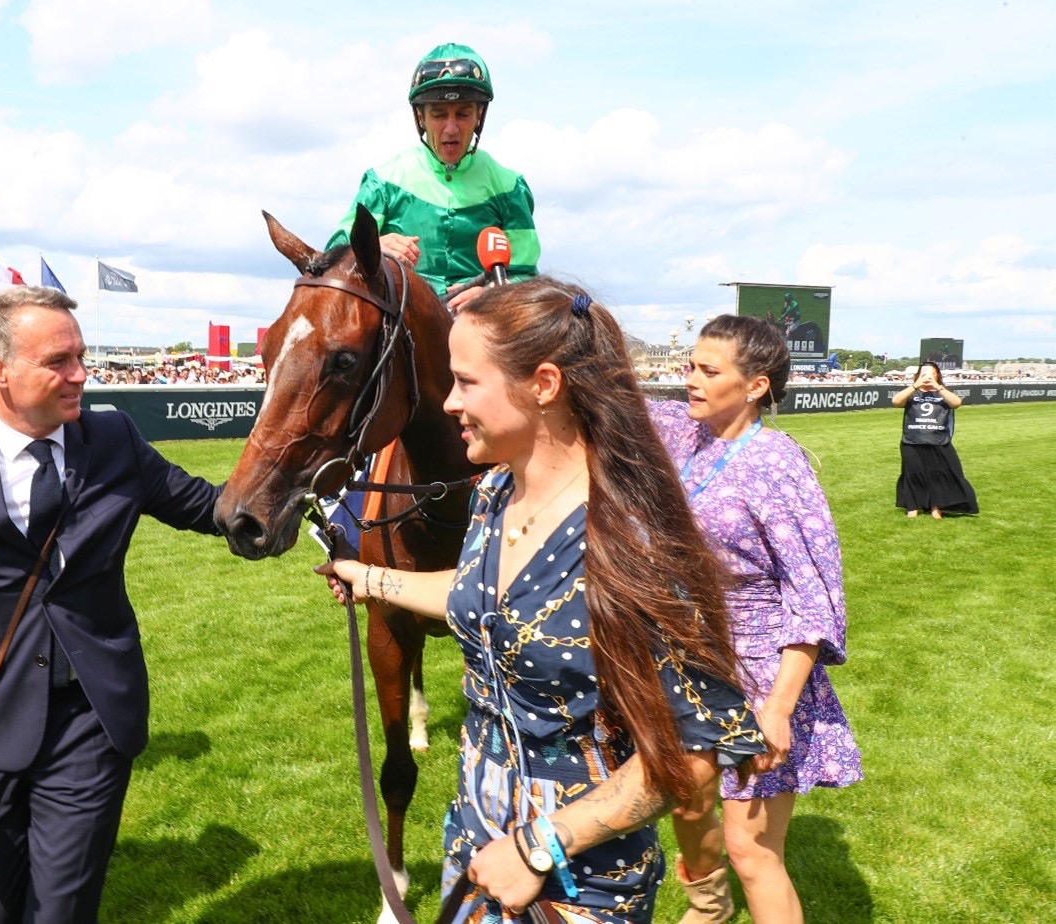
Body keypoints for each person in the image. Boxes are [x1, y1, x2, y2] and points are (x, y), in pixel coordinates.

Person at [318, 279, 766, 923]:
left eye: (466, 382)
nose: (449, 402)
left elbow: (698, 749)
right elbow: (484, 598)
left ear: (544, 385)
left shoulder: (628, 539)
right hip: (475, 850)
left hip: (580, 886)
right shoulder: (495, 493)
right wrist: (368, 578)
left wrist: (538, 847)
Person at [0, 285, 223, 922]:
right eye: (58, 361)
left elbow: (213, 508)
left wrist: (322, 502)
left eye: (80, 357)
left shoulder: (113, 438)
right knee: (4, 912)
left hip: (91, 717)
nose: (80, 374)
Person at [646, 315, 862, 924]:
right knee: (686, 805)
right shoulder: (681, 430)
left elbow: (813, 597)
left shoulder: (777, 464)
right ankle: (709, 908)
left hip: (758, 672)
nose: (689, 379)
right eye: (689, 365)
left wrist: (778, 709)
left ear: (756, 385)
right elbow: (603, 394)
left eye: (708, 371)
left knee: (752, 850)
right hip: (683, 658)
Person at [326, 42, 540, 313]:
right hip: (401, 319)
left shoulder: (509, 187)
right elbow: (333, 252)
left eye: (463, 114)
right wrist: (373, 245)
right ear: (421, 117)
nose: (451, 128)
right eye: (438, 115)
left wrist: (490, 295)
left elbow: (526, 275)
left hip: (480, 321)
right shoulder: (383, 182)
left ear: (479, 115)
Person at [893, 362, 977, 519]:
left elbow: (956, 403)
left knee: (939, 474)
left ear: (937, 375)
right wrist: (915, 385)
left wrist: (937, 387)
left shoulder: (942, 392)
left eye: (931, 373)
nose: (927, 377)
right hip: (912, 440)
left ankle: (936, 507)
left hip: (938, 440)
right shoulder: (912, 392)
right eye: (923, 373)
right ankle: (912, 507)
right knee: (912, 474)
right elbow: (896, 402)